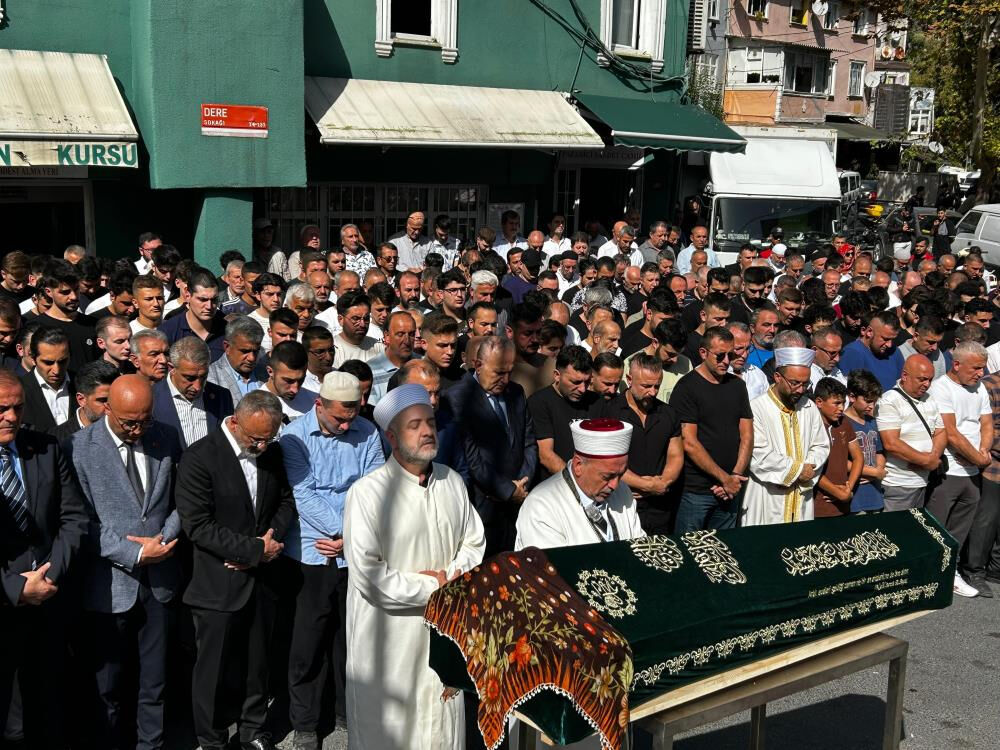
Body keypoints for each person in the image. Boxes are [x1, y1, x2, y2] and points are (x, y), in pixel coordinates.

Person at [343, 384, 484, 750]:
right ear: (391, 437)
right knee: (391, 731)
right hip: (390, 640)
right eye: (414, 425)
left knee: (443, 729)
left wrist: (451, 580)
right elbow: (369, 576)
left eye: (430, 423)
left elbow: (474, 544)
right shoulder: (368, 494)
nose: (426, 432)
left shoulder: (452, 482)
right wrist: (433, 589)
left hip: (444, 630)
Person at [176, 390, 296, 750]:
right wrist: (254, 549)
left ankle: (253, 731)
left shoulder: (271, 453)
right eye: (254, 437)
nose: (260, 445)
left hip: (262, 581)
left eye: (268, 437)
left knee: (257, 664)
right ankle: (210, 739)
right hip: (217, 583)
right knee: (213, 670)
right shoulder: (200, 457)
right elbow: (197, 525)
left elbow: (286, 500)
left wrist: (269, 542)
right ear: (234, 421)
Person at [68, 374, 182, 750]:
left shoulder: (165, 436)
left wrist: (163, 540)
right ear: (106, 408)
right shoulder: (80, 449)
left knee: (156, 682)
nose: (137, 429)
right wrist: (134, 553)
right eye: (128, 422)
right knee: (108, 685)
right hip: (108, 585)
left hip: (160, 579)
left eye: (143, 420)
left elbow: (183, 499)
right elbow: (82, 520)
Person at [280, 371, 384, 749]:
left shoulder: (368, 432)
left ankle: (347, 711)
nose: (345, 424)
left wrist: (352, 537)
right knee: (308, 642)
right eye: (338, 417)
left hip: (354, 550)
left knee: (351, 638)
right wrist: (344, 533)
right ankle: (305, 721)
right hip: (314, 550)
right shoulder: (294, 436)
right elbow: (303, 494)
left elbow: (375, 487)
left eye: (351, 416)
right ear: (318, 404)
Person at [0, 369, 87, 749]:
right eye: (2, 409)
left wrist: (51, 573)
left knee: (48, 701)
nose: (12, 417)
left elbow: (73, 517)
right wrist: (15, 588)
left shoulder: (46, 448)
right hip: (4, 601)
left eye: (18, 408)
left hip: (49, 597)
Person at [442, 336, 537, 555]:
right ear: (478, 365)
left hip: (519, 506)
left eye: (509, 372)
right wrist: (506, 489)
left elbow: (528, 442)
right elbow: (471, 458)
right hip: (484, 510)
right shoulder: (457, 399)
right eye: (498, 373)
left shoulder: (516, 392)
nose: (504, 379)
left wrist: (521, 485)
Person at [927, 342, 993, 598]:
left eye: (983, 368)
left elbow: (986, 423)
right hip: (949, 471)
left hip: (973, 471)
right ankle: (930, 573)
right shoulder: (941, 388)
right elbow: (951, 433)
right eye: (976, 368)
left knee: (960, 528)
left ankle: (950, 572)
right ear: (956, 364)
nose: (980, 373)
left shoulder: (979, 388)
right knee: (937, 525)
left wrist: (981, 456)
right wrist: (978, 457)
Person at [671, 326, 753, 532]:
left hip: (731, 489)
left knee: (724, 553)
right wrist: (724, 479)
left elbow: (747, 435)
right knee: (690, 550)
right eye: (720, 355)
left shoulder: (737, 385)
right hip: (697, 491)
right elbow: (689, 442)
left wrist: (734, 476)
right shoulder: (687, 387)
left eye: (731, 354)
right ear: (703, 353)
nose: (726, 361)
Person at [516, 417, 644, 548]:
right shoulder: (542, 507)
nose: (615, 485)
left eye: (620, 475)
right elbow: (550, 565)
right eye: (607, 476)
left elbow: (639, 549)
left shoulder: (623, 492)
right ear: (578, 466)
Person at [593, 354, 683, 535]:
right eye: (646, 386)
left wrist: (664, 482)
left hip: (660, 506)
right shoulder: (609, 412)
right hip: (620, 504)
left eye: (657, 386)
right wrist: (645, 484)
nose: (653, 392)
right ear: (629, 379)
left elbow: (675, 454)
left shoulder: (668, 414)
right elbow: (606, 459)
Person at [742, 347, 831, 525]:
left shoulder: (809, 407)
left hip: (801, 495)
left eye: (805, 384)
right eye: (794, 383)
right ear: (777, 377)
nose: (800, 390)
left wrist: (809, 467)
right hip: (767, 495)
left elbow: (821, 444)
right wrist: (797, 470)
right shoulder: (757, 408)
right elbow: (758, 453)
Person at [153, 336, 233, 449]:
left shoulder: (222, 397)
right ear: (171, 368)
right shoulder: (152, 399)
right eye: (190, 378)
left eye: (203, 377)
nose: (197, 387)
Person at [528, 345, 596, 477]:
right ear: (557, 376)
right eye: (576, 382)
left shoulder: (596, 401)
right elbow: (546, 455)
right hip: (556, 486)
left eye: (587, 382)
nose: (582, 389)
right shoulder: (539, 403)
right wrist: (577, 483)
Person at [966, 367, 1000, 596]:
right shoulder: (989, 385)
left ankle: (996, 569)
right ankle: (973, 571)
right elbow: (983, 428)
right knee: (985, 521)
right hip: (992, 465)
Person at [811, 378, 864, 518]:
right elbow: (811, 468)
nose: (841, 408)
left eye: (843, 403)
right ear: (819, 402)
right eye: (836, 403)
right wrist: (836, 492)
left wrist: (848, 488)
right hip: (817, 505)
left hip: (843, 504)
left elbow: (858, 457)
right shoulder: (810, 426)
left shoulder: (844, 423)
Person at [38, 259, 98, 372]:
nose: (74, 297)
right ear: (49, 292)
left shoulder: (93, 324)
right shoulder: (37, 327)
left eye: (76, 290)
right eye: (65, 292)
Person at [158, 269, 227, 362]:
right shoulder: (168, 332)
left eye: (214, 300)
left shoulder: (228, 330)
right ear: (188, 296)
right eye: (203, 299)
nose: (209, 306)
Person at [844, 370, 886, 515]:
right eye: (867, 401)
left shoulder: (871, 422)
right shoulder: (842, 423)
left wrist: (879, 469)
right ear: (852, 397)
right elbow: (841, 461)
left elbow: (879, 451)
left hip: (874, 494)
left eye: (874, 401)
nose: (871, 406)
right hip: (854, 497)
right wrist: (873, 472)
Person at [20, 326, 73, 434]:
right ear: (33, 359)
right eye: (48, 363)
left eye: (62, 361)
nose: (56, 370)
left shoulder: (82, 384)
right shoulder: (19, 390)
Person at [623, 318, 690, 403]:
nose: (675, 360)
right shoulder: (631, 365)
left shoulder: (686, 364)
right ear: (655, 343)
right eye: (670, 354)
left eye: (678, 354)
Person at [54, 359, 118, 444]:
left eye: (115, 399)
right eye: (103, 400)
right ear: (81, 400)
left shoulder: (128, 432)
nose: (111, 407)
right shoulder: (58, 440)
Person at [839, 311, 905, 391]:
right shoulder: (853, 353)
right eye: (885, 339)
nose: (889, 345)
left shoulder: (894, 352)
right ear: (869, 332)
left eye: (892, 339)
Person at [208, 315, 265, 406]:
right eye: (245, 351)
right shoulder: (210, 379)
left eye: (256, 351)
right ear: (227, 347)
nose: (252, 358)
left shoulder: (266, 373)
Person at [259, 340, 318, 423]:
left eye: (301, 380)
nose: (295, 389)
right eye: (289, 381)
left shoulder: (316, 398)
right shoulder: (257, 407)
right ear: (270, 372)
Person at [332, 289, 385, 367]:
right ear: (341, 320)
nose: (362, 324)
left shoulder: (378, 347)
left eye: (366, 319)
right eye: (355, 319)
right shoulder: (332, 350)